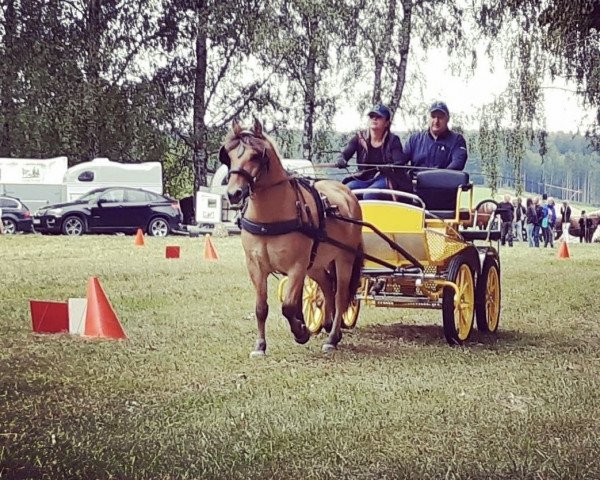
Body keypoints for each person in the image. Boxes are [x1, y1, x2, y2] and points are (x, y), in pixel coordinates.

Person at [336, 104, 406, 197]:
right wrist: (341, 159)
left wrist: (389, 167)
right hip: (363, 178)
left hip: (385, 178)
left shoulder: (393, 140)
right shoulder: (359, 138)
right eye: (371, 116)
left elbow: (399, 162)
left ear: (386, 123)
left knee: (369, 194)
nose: (374, 119)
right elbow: (344, 154)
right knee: (346, 191)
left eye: (379, 117)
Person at [402, 101, 468, 171]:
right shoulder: (414, 139)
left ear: (447, 119)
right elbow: (400, 161)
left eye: (440, 117)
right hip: (415, 181)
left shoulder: (457, 140)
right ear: (429, 118)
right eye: (433, 117)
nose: (436, 121)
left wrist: (439, 177)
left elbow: (458, 163)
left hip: (444, 180)